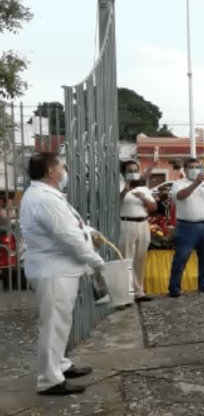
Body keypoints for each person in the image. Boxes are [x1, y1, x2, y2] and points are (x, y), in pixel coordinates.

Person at [20, 153, 102, 395]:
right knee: (53, 324)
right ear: (50, 172)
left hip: (58, 269)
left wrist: (90, 231)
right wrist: (95, 260)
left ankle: (60, 365)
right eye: (62, 167)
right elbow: (68, 236)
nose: (65, 171)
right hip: (53, 270)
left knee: (60, 322)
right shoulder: (45, 199)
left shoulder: (45, 196)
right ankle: (49, 379)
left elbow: (71, 226)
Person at [168, 158, 204, 297]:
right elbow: (180, 196)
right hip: (186, 227)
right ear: (185, 170)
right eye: (191, 167)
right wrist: (195, 184)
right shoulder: (178, 183)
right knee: (180, 258)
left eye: (197, 167)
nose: (194, 170)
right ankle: (174, 288)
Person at [119, 161, 156, 303]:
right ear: (124, 173)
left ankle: (139, 292)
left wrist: (144, 198)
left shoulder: (143, 188)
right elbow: (114, 203)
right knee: (127, 258)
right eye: (130, 170)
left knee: (140, 258)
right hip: (127, 222)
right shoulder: (119, 185)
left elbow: (153, 207)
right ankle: (127, 293)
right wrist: (125, 191)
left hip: (143, 223)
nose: (133, 172)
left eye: (135, 170)